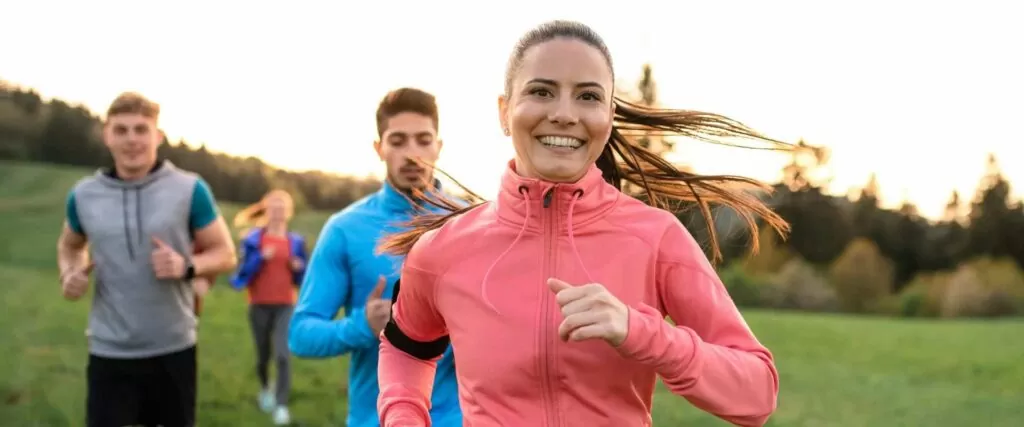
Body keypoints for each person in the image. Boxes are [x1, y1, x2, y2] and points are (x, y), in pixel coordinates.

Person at [375, 20, 793, 427]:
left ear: (609, 116)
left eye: (588, 97)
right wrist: (403, 417)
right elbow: (406, 348)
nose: (564, 114)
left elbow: (757, 395)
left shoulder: (656, 239)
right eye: (541, 91)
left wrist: (642, 333)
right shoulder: (441, 251)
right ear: (504, 111)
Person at [57, 91, 237, 427]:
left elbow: (225, 253)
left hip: (173, 349)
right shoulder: (83, 195)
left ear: (158, 136)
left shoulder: (189, 189)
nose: (132, 139)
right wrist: (69, 273)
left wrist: (187, 266)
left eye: (141, 129)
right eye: (121, 130)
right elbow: (69, 246)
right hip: (108, 350)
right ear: (107, 135)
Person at [288, 88, 463, 427]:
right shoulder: (344, 229)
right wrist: (363, 326)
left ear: (439, 146)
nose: (412, 154)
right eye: (398, 141)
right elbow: (301, 335)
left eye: (423, 140)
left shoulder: (471, 223)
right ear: (379, 148)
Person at [229, 189, 309, 425]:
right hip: (259, 304)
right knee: (263, 355)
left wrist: (299, 267)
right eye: (274, 208)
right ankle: (265, 389)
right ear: (266, 210)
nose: (278, 212)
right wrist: (260, 258)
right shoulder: (253, 240)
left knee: (283, 354)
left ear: (289, 212)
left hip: (286, 304)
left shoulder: (296, 242)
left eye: (282, 208)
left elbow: (302, 278)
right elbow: (242, 273)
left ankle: (281, 405)